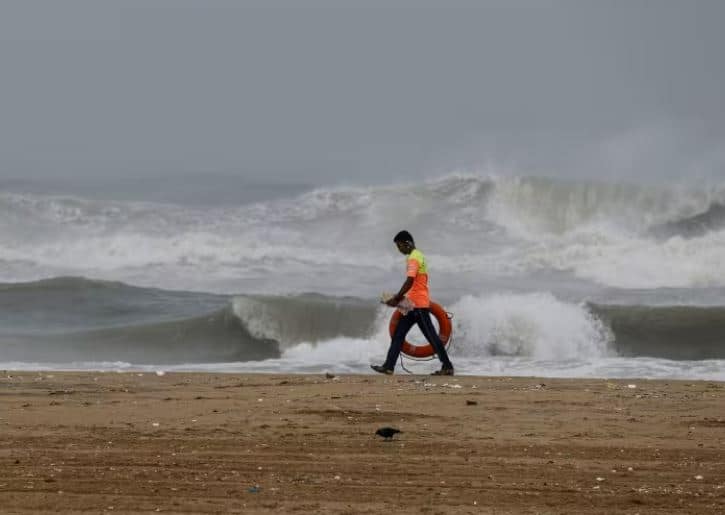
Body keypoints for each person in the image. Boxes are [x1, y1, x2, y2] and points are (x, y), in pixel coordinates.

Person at [371, 230, 455, 376]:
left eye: (400, 246)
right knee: (398, 335)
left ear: (407, 243)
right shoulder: (418, 255)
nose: (399, 249)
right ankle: (388, 366)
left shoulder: (414, 258)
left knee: (432, 337)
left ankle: (447, 367)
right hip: (412, 305)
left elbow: (409, 281)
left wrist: (396, 298)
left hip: (419, 306)